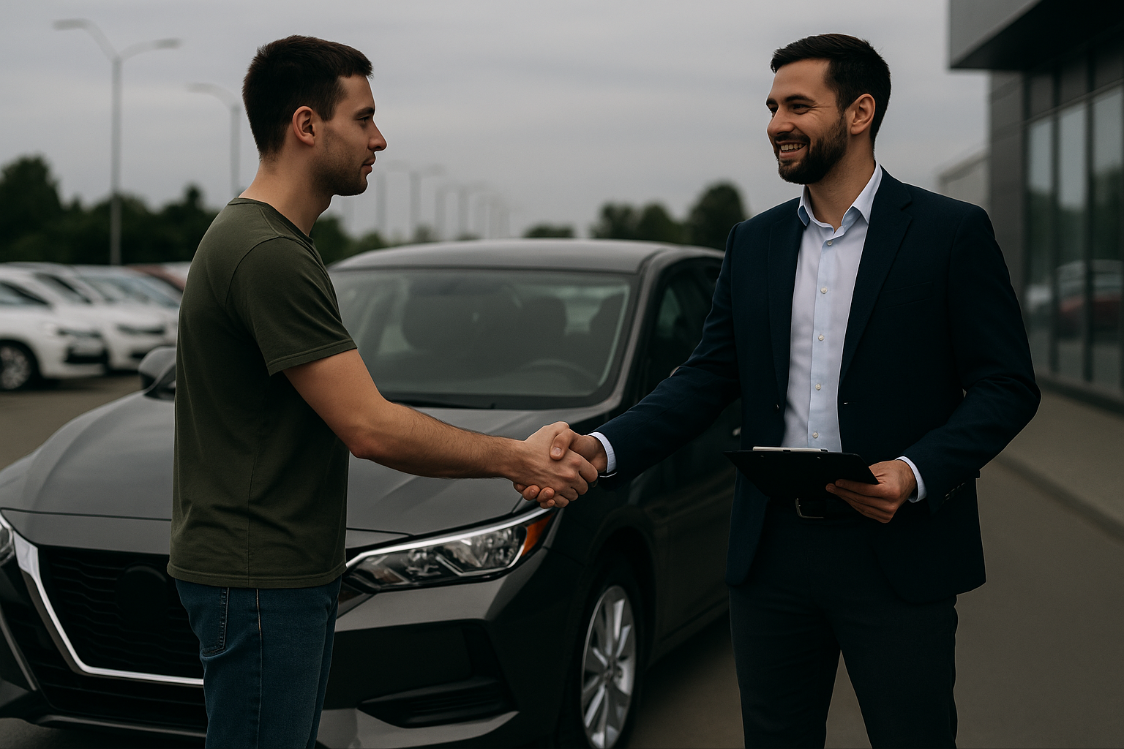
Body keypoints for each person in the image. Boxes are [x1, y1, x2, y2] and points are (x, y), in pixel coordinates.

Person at [524, 33, 1040, 748]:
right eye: (772, 106)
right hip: (772, 553)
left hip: (898, 547)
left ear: (860, 112)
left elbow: (1006, 385)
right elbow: (708, 376)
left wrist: (916, 471)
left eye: (798, 104)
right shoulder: (754, 242)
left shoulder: (950, 234)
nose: (776, 122)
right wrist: (602, 446)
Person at [169, 36, 596, 749]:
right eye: (363, 118)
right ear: (307, 125)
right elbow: (369, 426)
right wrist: (520, 459)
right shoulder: (267, 252)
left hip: (266, 572)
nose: (380, 138)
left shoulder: (266, 241)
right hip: (259, 578)